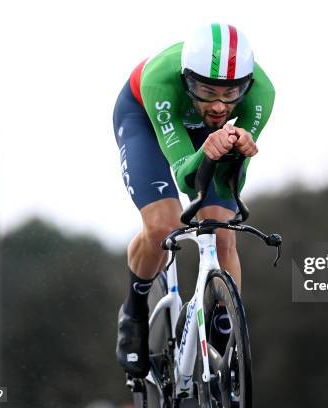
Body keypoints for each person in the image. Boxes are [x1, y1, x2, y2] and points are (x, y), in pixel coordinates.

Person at [112, 23, 275, 378]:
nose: (219, 105)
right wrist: (206, 150)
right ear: (188, 79)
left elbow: (233, 184)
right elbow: (186, 174)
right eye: (206, 90)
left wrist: (236, 153)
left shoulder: (261, 93)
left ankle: (224, 327)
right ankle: (135, 312)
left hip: (206, 135)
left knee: (222, 230)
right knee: (164, 226)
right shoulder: (161, 79)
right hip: (147, 119)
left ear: (246, 86)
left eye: (231, 94)